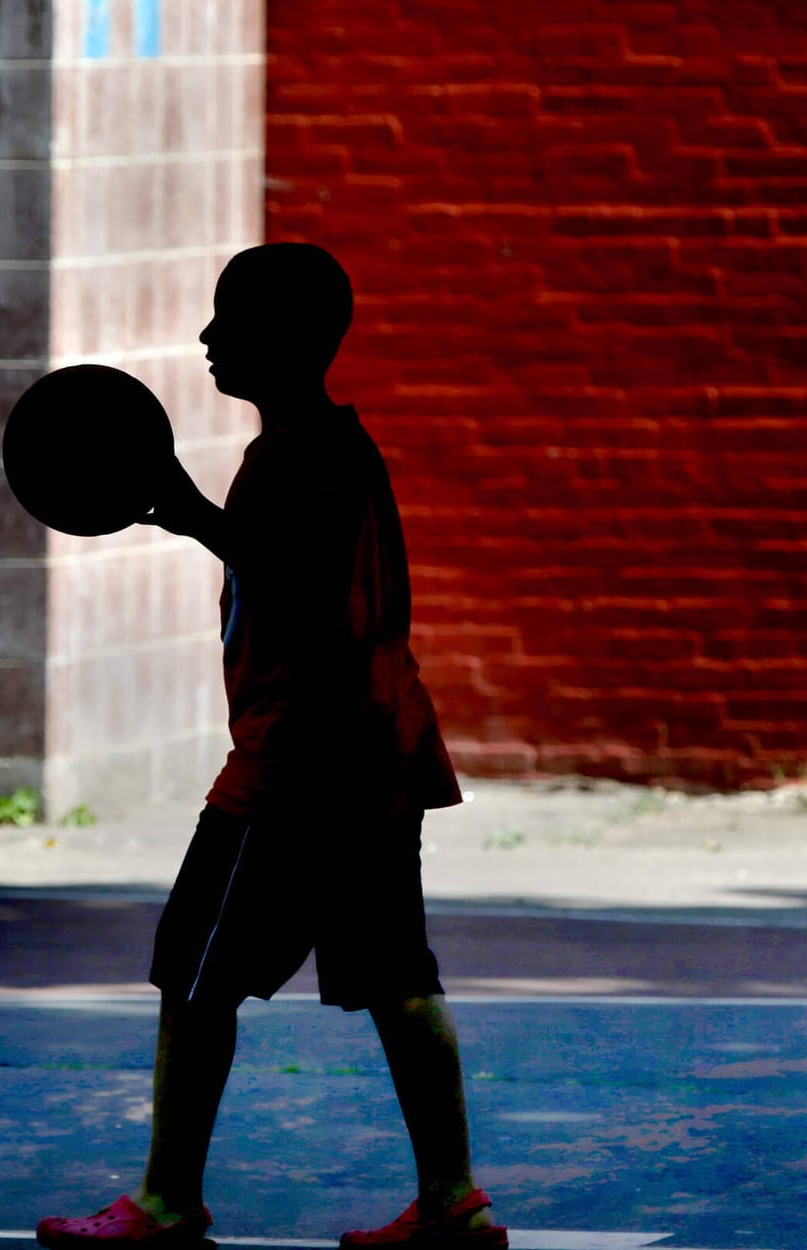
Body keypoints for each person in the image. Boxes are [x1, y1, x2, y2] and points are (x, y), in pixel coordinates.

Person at [35, 244, 506, 1250]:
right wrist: (196, 516)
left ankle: (164, 1200)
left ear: (285, 341)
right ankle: (453, 1199)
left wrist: (195, 511)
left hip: (300, 761)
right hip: (376, 752)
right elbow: (299, 573)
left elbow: (293, 592)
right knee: (395, 976)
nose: (207, 339)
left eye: (226, 323)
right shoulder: (335, 446)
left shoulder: (294, 460)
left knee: (190, 971)